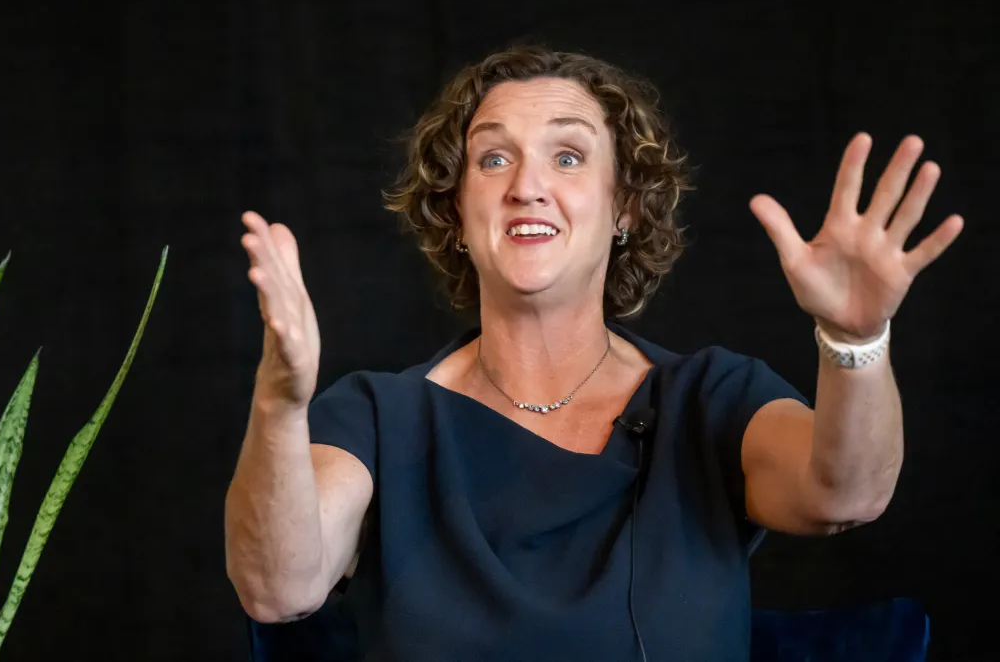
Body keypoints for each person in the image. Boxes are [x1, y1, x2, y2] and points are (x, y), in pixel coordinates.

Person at [224, 45, 963, 661]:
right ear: (456, 213)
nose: (527, 187)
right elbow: (278, 588)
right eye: (493, 159)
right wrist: (280, 402)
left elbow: (845, 495)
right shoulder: (377, 418)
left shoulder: (710, 398)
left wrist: (855, 339)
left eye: (569, 156)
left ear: (625, 208)